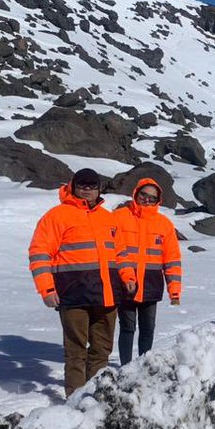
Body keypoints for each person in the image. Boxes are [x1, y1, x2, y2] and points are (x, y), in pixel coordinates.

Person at [28, 168, 120, 396]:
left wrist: (125, 283)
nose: (87, 190)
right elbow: (39, 254)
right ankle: (76, 400)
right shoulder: (56, 216)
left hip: (106, 295)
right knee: (76, 350)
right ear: (73, 186)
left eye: (92, 185)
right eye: (82, 185)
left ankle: (96, 398)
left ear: (99, 188)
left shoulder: (108, 218)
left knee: (102, 349)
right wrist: (46, 290)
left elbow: (121, 255)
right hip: (73, 294)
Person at [110, 178, 183, 365]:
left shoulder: (164, 224)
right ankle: (125, 367)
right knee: (127, 327)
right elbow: (112, 250)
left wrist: (174, 290)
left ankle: (143, 367)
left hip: (151, 284)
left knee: (148, 328)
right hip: (125, 282)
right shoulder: (119, 216)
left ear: (158, 200)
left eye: (152, 197)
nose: (147, 200)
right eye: (144, 195)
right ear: (136, 193)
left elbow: (172, 259)